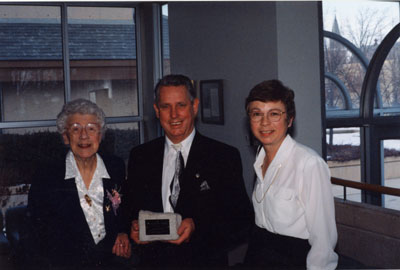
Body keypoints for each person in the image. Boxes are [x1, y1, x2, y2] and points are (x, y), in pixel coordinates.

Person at [118, 74, 253, 267]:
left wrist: (197, 227)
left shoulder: (222, 156)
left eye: (181, 105)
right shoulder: (140, 156)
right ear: (157, 111)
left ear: (194, 107)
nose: (174, 115)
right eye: (166, 107)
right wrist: (131, 229)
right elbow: (129, 209)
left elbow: (240, 221)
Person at [244, 80, 338, 269]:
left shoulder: (309, 164)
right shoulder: (259, 159)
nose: (264, 123)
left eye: (274, 114)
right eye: (257, 114)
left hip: (292, 261)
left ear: (290, 119)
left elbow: (323, 242)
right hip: (258, 257)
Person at [28, 99, 132, 269]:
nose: (84, 136)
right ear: (65, 136)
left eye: (91, 128)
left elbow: (125, 211)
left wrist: (123, 232)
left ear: (100, 134)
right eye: (75, 129)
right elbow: (36, 234)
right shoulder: (47, 176)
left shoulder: (115, 167)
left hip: (111, 263)